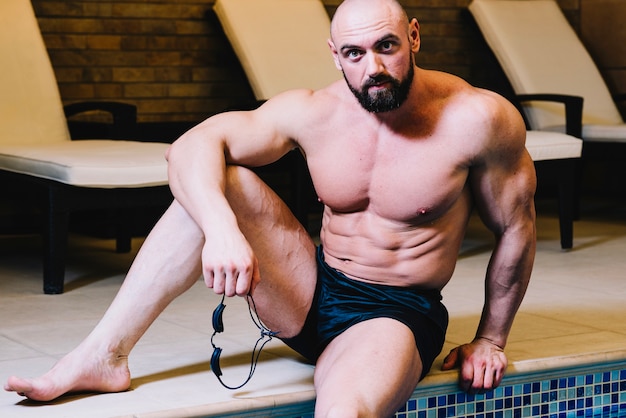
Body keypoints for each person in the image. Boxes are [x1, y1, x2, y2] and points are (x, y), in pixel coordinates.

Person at [4, 0, 536, 416]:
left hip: (394, 313)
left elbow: (516, 226)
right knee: (222, 182)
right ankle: (104, 355)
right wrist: (221, 230)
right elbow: (189, 147)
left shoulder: (477, 118)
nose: (373, 67)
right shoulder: (313, 111)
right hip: (311, 292)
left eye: (387, 46)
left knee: (344, 411)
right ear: (334, 53)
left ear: (414, 37)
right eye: (354, 53)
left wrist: (491, 338)